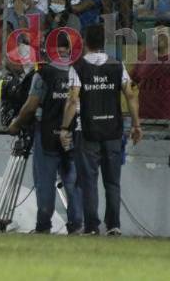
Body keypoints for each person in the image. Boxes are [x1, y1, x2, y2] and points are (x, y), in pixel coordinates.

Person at [60, 23, 142, 236]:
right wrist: (136, 124)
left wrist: (63, 128)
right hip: (113, 132)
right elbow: (131, 95)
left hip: (87, 132)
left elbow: (72, 100)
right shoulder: (117, 66)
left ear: (85, 42)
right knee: (112, 181)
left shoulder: (77, 67)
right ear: (104, 42)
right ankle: (114, 225)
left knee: (89, 182)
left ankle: (92, 226)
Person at [8, 36, 83, 234]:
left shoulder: (43, 74)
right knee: (73, 180)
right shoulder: (80, 71)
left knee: (45, 181)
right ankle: (76, 224)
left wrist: (16, 125)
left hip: (48, 133)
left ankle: (44, 225)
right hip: (74, 133)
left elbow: (31, 105)